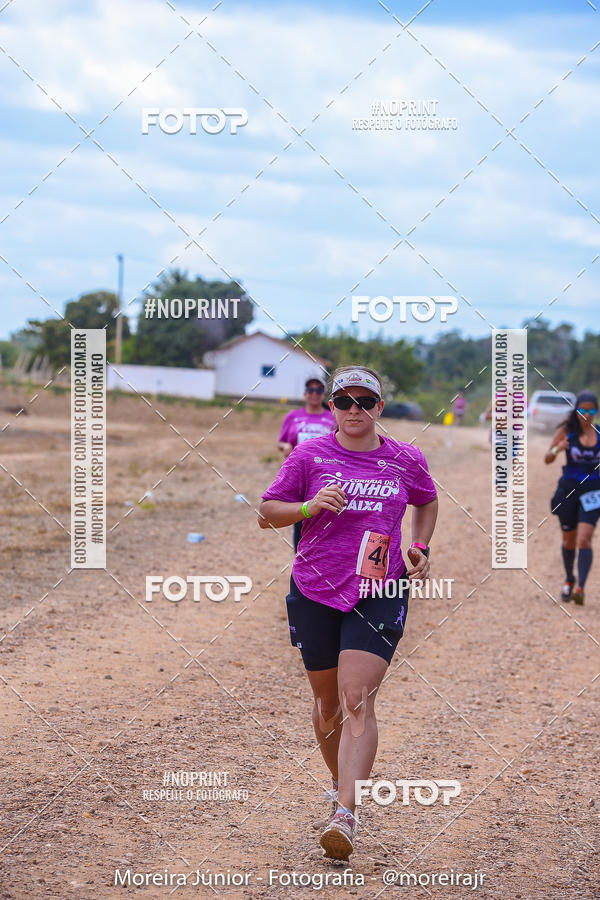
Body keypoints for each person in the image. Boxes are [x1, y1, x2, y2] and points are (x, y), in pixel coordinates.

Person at [258, 365, 438, 860]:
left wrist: (420, 544)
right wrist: (309, 506)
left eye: (364, 402)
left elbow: (427, 500)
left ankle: (345, 813)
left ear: (380, 407)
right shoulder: (310, 454)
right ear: (332, 407)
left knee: (356, 696)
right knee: (328, 705)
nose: (354, 410)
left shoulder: (405, 458)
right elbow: (267, 511)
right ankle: (343, 784)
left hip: (378, 589)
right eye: (344, 402)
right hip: (315, 588)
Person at [546, 390, 600, 605]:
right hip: (568, 491)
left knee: (584, 538)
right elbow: (547, 458)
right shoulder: (567, 432)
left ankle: (580, 588)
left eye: (591, 410)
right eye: (582, 410)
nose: (586, 414)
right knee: (569, 540)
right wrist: (558, 449)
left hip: (593, 492)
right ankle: (569, 579)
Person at [277, 374, 336, 551]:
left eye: (318, 390)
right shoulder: (293, 416)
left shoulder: (332, 417)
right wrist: (285, 446)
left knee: (327, 513)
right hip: (300, 473)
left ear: (324, 394)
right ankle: (301, 556)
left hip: (327, 473)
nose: (314, 394)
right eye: (311, 390)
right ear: (305, 393)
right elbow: (281, 441)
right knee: (302, 514)